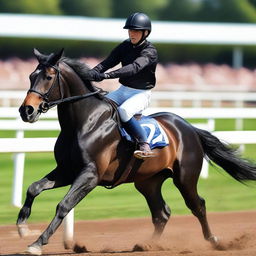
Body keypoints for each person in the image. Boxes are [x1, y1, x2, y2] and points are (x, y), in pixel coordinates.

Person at [88, 12, 158, 159]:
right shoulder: (125, 46)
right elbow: (108, 62)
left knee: (124, 111)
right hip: (123, 90)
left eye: (136, 31)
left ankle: (144, 143)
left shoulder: (150, 51)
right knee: (100, 106)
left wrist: (107, 76)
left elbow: (134, 67)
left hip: (141, 94)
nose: (132, 34)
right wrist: (93, 72)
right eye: (130, 30)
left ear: (146, 33)